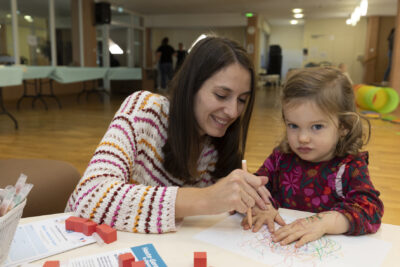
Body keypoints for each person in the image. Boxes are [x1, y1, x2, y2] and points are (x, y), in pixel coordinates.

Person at [66, 36, 271, 234]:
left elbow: (228, 201)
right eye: (221, 96)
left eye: (242, 100)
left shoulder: (221, 142)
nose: (233, 112)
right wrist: (206, 199)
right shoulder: (144, 110)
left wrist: (252, 200)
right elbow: (89, 197)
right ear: (191, 86)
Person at [242, 67, 384, 247]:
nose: (302, 138)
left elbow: (370, 210)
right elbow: (258, 187)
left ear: (344, 126)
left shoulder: (349, 166)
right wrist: (260, 204)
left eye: (316, 127)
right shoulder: (281, 157)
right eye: (293, 125)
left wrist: (324, 222)